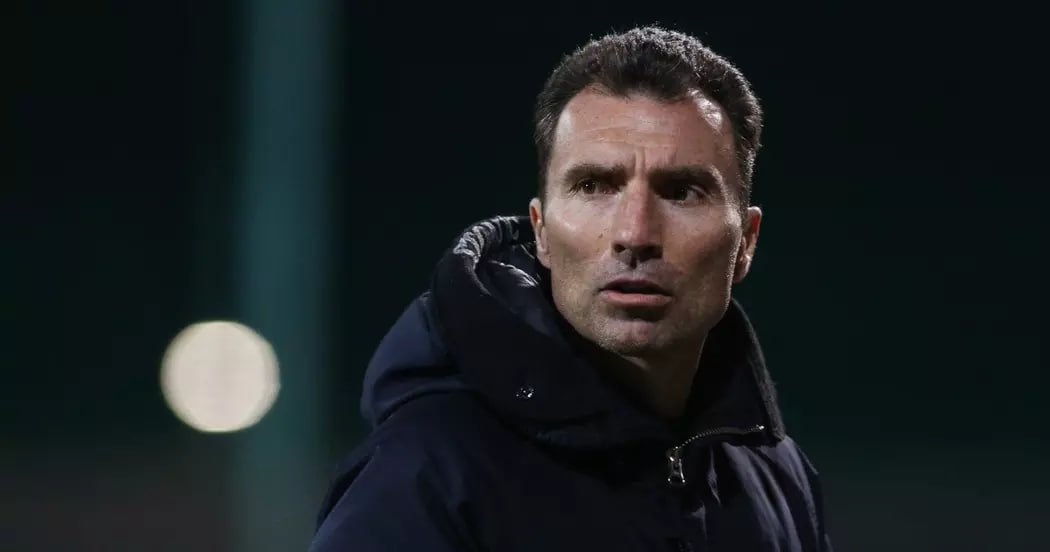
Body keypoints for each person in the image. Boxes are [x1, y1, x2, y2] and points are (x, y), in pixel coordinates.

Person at [310, 25, 832, 552]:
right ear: (540, 231)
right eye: (594, 186)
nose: (634, 234)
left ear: (746, 242)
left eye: (681, 192)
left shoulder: (778, 480)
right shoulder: (426, 474)